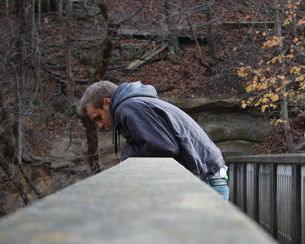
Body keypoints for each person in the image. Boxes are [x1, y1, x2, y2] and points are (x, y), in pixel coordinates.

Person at [80, 81, 229, 200]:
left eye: (98, 117)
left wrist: (127, 153)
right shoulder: (138, 103)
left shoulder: (129, 107)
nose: (100, 125)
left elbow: (164, 147)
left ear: (107, 103)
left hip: (207, 181)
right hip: (210, 175)